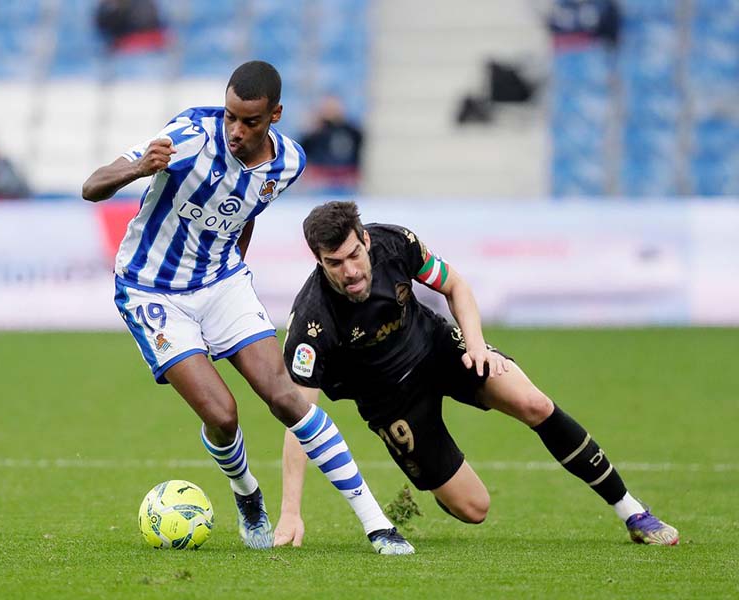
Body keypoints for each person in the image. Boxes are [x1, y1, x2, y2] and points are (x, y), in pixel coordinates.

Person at [81, 62, 412, 555]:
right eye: (231, 116)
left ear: (275, 115)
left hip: (221, 282)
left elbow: (246, 210)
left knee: (286, 397)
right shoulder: (189, 136)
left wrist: (232, 267)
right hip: (152, 291)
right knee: (224, 414)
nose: (236, 130)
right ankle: (247, 493)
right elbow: (92, 186)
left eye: (250, 121)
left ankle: (376, 523)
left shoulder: (290, 163)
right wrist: (138, 168)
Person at [273, 200, 679, 547]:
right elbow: (300, 421)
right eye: (334, 263)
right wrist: (290, 512)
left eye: (354, 255)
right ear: (318, 260)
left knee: (533, 402)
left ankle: (633, 513)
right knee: (474, 509)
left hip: (436, 346)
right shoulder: (312, 324)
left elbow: (456, 287)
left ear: (365, 239)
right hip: (390, 400)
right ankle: (437, 482)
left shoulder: (397, 243)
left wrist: (477, 346)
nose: (350, 272)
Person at [298, 95, 363, 194]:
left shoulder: (351, 131)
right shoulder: (316, 131)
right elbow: (303, 151)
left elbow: (357, 152)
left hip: (344, 181)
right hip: (320, 182)